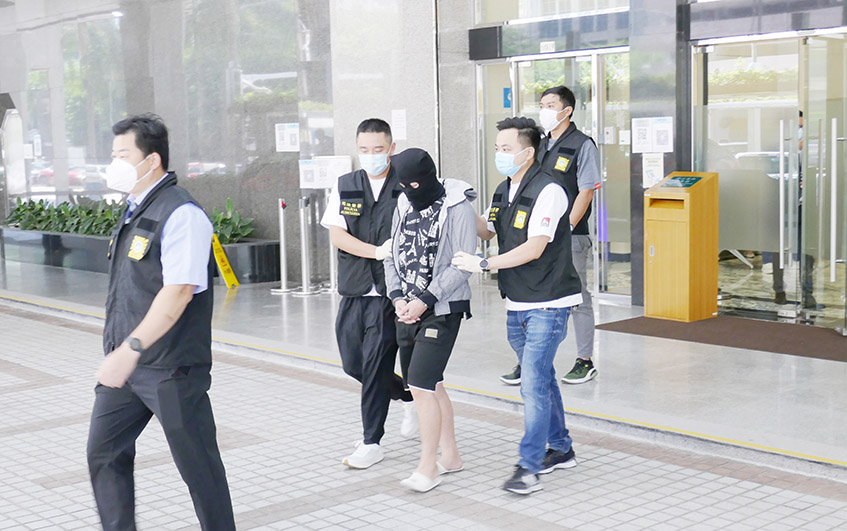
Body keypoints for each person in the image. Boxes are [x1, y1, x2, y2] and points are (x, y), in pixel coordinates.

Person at [87, 114, 235, 530]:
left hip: (171, 368)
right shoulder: (136, 210)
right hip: (128, 366)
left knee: (199, 468)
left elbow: (179, 292)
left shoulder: (182, 213)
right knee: (104, 454)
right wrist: (124, 352)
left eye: (122, 155)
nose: (113, 163)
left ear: (151, 160)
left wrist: (131, 348)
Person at [453, 116, 581, 495]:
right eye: (497, 148)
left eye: (506, 149)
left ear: (528, 152)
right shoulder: (503, 189)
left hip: (549, 301)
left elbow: (535, 247)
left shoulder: (550, 190)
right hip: (518, 301)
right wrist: (460, 203)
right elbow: (488, 230)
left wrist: (484, 264)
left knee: (532, 383)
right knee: (541, 377)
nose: (500, 155)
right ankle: (561, 448)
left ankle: (528, 467)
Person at [320, 118, 417, 470]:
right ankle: (408, 394)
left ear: (391, 148)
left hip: (391, 293)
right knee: (353, 364)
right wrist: (375, 251)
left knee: (375, 367)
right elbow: (337, 235)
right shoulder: (346, 184)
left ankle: (371, 441)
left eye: (378, 149)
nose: (371, 155)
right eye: (364, 149)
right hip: (355, 287)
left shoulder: (405, 184)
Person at [384, 148, 477, 493]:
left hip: (443, 308)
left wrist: (425, 300)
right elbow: (392, 254)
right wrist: (397, 297)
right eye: (403, 184)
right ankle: (450, 457)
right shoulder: (403, 204)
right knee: (432, 385)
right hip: (407, 308)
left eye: (415, 184)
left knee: (421, 385)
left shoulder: (458, 207)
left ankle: (427, 467)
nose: (410, 190)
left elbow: (463, 262)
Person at [499, 85, 601, 386]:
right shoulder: (538, 144)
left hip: (570, 235)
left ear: (567, 110)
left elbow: (586, 191)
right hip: (534, 235)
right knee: (533, 294)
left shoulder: (582, 144)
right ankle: (528, 360)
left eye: (551, 105)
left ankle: (585, 360)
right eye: (542, 105)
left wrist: (565, 228)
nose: (544, 110)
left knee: (577, 295)